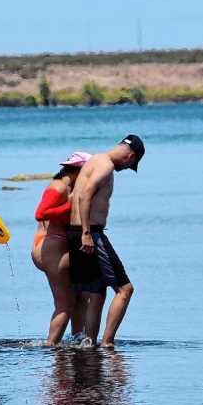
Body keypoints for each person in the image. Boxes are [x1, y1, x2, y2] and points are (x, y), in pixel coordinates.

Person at [68, 134, 144, 347]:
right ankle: (107, 343)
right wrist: (86, 233)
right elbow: (84, 196)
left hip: (77, 231)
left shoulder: (95, 160)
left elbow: (75, 196)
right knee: (125, 289)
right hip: (89, 233)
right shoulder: (105, 166)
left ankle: (88, 344)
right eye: (129, 166)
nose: (126, 169)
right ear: (130, 156)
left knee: (96, 292)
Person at [31, 151, 91, 346]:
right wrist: (71, 205)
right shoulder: (58, 186)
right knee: (64, 304)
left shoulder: (71, 186)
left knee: (80, 298)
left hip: (56, 245)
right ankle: (51, 346)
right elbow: (40, 213)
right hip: (50, 246)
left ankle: (77, 342)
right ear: (79, 170)